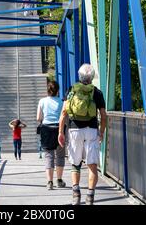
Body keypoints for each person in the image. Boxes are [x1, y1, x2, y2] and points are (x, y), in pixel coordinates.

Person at [58, 64, 107, 206]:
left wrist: (60, 132)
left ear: (79, 76)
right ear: (92, 77)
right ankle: (90, 196)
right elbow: (103, 116)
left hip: (74, 130)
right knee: (92, 165)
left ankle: (76, 194)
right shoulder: (97, 92)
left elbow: (63, 113)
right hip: (91, 130)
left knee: (75, 163)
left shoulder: (71, 90)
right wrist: (101, 132)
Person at [37, 81, 66, 190]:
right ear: (58, 90)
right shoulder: (62, 101)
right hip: (59, 129)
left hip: (46, 129)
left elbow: (38, 118)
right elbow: (64, 116)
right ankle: (59, 180)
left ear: (48, 90)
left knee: (49, 156)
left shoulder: (42, 101)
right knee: (60, 155)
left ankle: (49, 182)